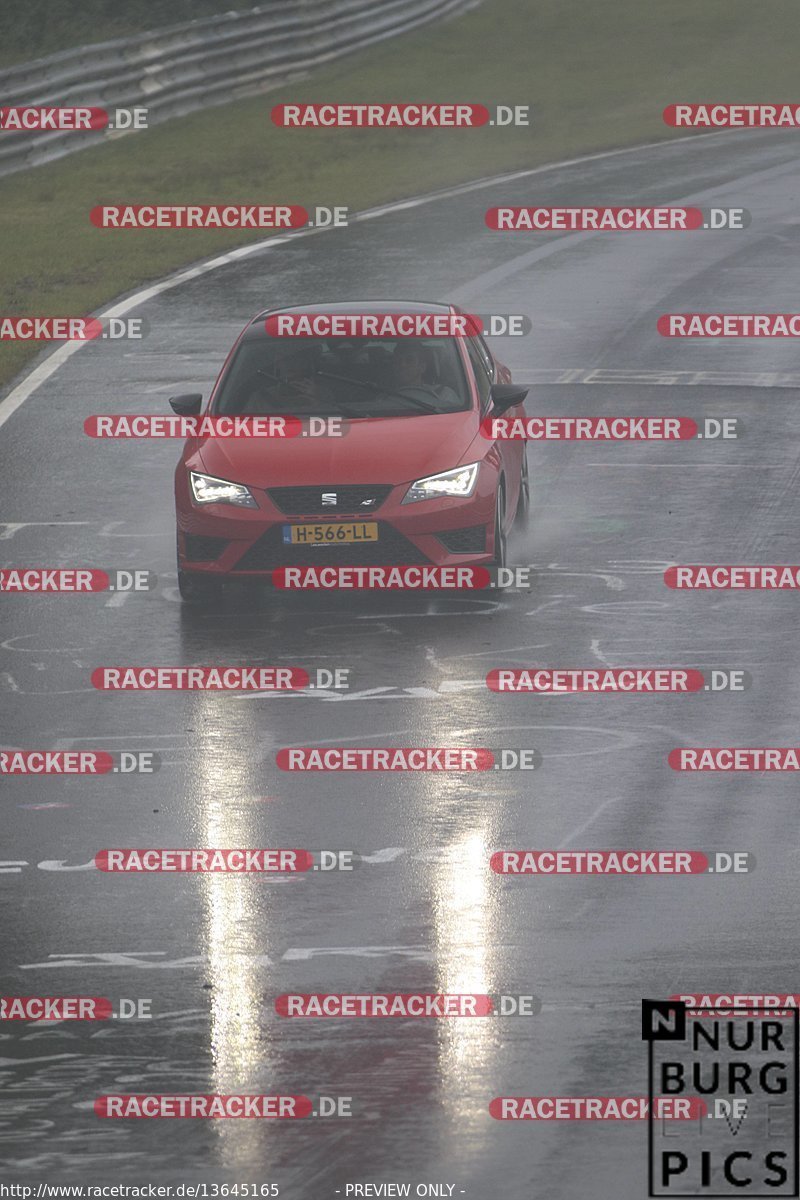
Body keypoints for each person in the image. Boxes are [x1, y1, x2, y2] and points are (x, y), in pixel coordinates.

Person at [388, 341, 460, 408]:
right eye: (398, 360)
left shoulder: (444, 395)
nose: (402, 365)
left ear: (422, 367)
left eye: (409, 360)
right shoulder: (382, 397)